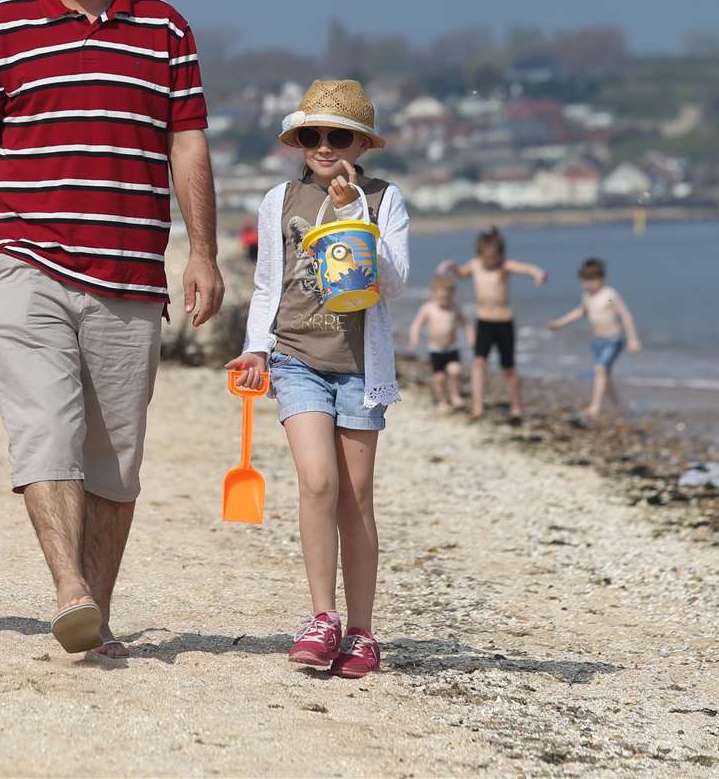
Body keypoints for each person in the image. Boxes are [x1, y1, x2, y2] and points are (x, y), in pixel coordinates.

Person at [0, 0, 223, 658]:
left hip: (129, 268)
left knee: (114, 457)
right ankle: (69, 588)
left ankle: (96, 615)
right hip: (28, 257)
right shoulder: (0, 26)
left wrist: (203, 252)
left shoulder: (165, 29)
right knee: (44, 428)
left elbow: (187, 142)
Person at [225, 79, 408, 679]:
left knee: (356, 501)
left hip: (362, 368)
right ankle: (321, 616)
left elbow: (394, 282)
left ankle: (361, 631)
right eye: (313, 135)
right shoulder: (279, 200)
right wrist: (255, 349)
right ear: (299, 140)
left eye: (338, 136)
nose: (325, 146)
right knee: (317, 482)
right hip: (297, 358)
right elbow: (267, 286)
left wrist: (355, 211)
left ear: (360, 143)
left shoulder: (386, 199)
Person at [438, 228, 546, 420]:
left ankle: (516, 406)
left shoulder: (504, 266)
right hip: (484, 321)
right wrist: (451, 266)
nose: (490, 261)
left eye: (494, 257)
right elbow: (462, 273)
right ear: (479, 254)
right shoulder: (475, 265)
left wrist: (537, 273)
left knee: (509, 367)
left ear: (500, 254)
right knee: (479, 362)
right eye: (486, 257)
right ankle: (478, 408)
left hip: (504, 321)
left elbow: (525, 268)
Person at [548, 257, 643, 418]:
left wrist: (633, 338)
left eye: (591, 280)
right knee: (604, 376)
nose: (587, 285)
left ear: (600, 278)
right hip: (597, 341)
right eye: (584, 281)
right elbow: (580, 312)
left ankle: (595, 407)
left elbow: (624, 314)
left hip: (612, 339)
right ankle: (620, 408)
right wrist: (560, 323)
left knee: (600, 370)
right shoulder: (587, 296)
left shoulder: (609, 295)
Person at [407, 274, 469, 412]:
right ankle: (442, 400)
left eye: (447, 298)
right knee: (439, 378)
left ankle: (456, 395)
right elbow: (417, 324)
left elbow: (466, 324)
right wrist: (414, 338)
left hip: (451, 348)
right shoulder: (428, 308)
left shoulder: (455, 308)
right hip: (435, 350)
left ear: (452, 295)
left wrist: (471, 337)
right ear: (433, 294)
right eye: (441, 298)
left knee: (455, 370)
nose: (444, 301)